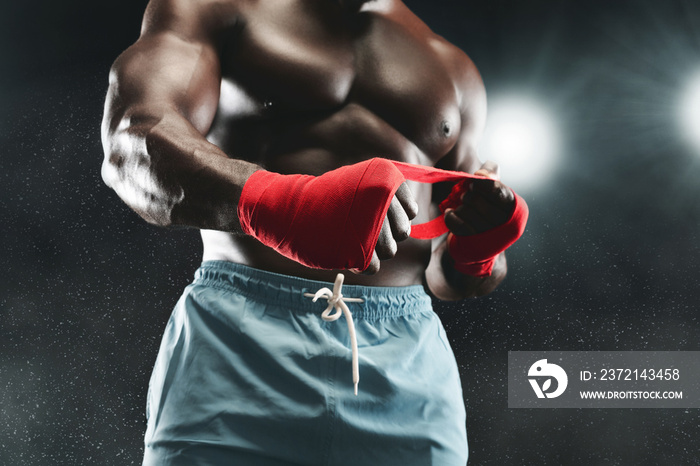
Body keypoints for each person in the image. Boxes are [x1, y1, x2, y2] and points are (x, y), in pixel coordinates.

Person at [101, 0, 527, 464]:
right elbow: (133, 145)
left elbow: (448, 279)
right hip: (240, 344)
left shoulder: (452, 67)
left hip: (405, 362)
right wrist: (290, 209)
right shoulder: (213, 7)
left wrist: (478, 249)